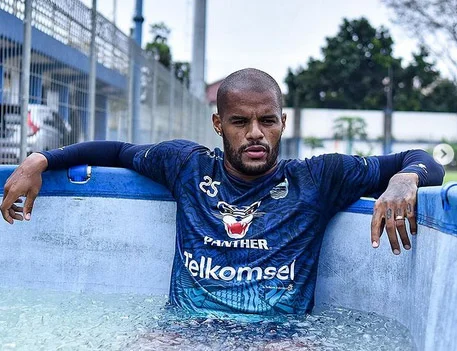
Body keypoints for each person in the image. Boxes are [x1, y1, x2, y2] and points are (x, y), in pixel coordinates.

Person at [0, 68, 444, 316]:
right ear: (219, 124)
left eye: (267, 121)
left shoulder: (317, 177)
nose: (256, 134)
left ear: (282, 124)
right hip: (184, 332)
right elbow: (116, 150)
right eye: (240, 122)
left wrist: (404, 180)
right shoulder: (187, 166)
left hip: (277, 339)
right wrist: (41, 160)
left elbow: (424, 159)